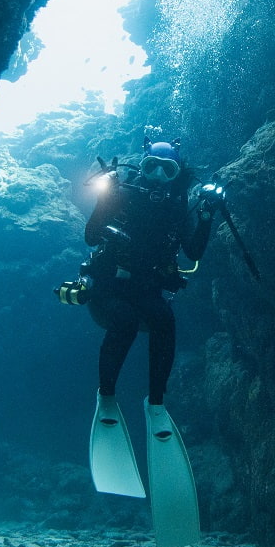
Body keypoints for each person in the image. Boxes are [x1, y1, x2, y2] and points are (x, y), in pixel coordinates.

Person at [81, 137, 221, 406]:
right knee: (125, 320)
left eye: (167, 170)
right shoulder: (122, 194)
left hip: (146, 289)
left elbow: (193, 252)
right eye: (151, 167)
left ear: (177, 174)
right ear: (141, 167)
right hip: (109, 286)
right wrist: (105, 198)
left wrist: (205, 216)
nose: (158, 176)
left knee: (165, 321)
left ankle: (156, 400)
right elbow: (91, 237)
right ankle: (106, 394)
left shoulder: (178, 207)